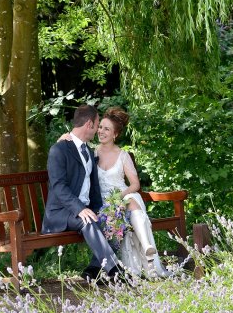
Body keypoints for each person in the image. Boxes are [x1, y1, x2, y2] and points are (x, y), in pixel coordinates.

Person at [58, 107, 171, 278]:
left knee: (130, 200)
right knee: (118, 209)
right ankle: (103, 267)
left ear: (115, 135)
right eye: (100, 127)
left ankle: (147, 246)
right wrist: (63, 138)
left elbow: (135, 184)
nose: (101, 131)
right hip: (102, 203)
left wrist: (120, 196)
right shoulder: (91, 151)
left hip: (122, 195)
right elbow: (73, 146)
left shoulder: (122, 155)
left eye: (106, 129)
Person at [41, 104, 124, 284]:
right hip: (60, 214)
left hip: (84, 210)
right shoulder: (59, 150)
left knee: (115, 220)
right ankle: (114, 271)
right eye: (96, 125)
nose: (97, 131)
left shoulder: (87, 150)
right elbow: (58, 186)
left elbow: (93, 188)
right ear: (89, 124)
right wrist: (80, 209)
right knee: (88, 219)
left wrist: (102, 210)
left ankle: (92, 270)